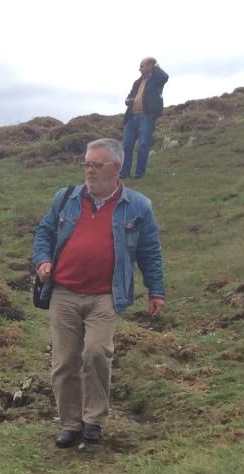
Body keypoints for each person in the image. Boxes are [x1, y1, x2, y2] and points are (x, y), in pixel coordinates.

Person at [32, 138, 165, 448]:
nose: (89, 171)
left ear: (116, 168)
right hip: (63, 292)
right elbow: (44, 232)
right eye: (87, 164)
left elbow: (149, 251)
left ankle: (93, 420)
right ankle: (70, 423)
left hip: (105, 295)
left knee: (96, 353)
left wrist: (155, 290)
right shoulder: (65, 198)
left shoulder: (138, 206)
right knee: (64, 361)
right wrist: (43, 260)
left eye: (96, 165)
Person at [120, 57, 169, 179]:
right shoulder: (137, 82)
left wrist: (156, 65)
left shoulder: (156, 80)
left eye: (142, 66)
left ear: (150, 66)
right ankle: (124, 173)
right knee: (126, 145)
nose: (139, 69)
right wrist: (128, 100)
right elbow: (130, 95)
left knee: (143, 144)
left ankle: (139, 174)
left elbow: (165, 77)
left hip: (146, 117)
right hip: (132, 117)